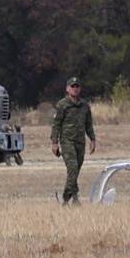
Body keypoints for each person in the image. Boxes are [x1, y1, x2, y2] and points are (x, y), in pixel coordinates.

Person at [51, 77, 96, 205]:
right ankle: (66, 198)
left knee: (76, 170)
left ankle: (75, 198)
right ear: (67, 89)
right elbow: (56, 125)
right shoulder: (62, 105)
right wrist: (54, 142)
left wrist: (92, 139)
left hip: (80, 142)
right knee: (73, 168)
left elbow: (88, 124)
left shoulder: (84, 105)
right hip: (67, 141)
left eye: (77, 86)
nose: (75, 89)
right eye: (72, 86)